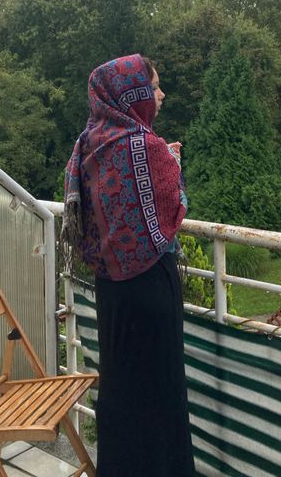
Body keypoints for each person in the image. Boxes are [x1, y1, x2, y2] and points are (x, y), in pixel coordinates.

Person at [62, 54, 195, 477]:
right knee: (161, 389)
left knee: (121, 385)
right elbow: (172, 210)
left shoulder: (88, 143)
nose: (161, 95)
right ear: (132, 94)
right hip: (151, 288)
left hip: (112, 290)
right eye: (154, 87)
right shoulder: (148, 146)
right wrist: (174, 166)